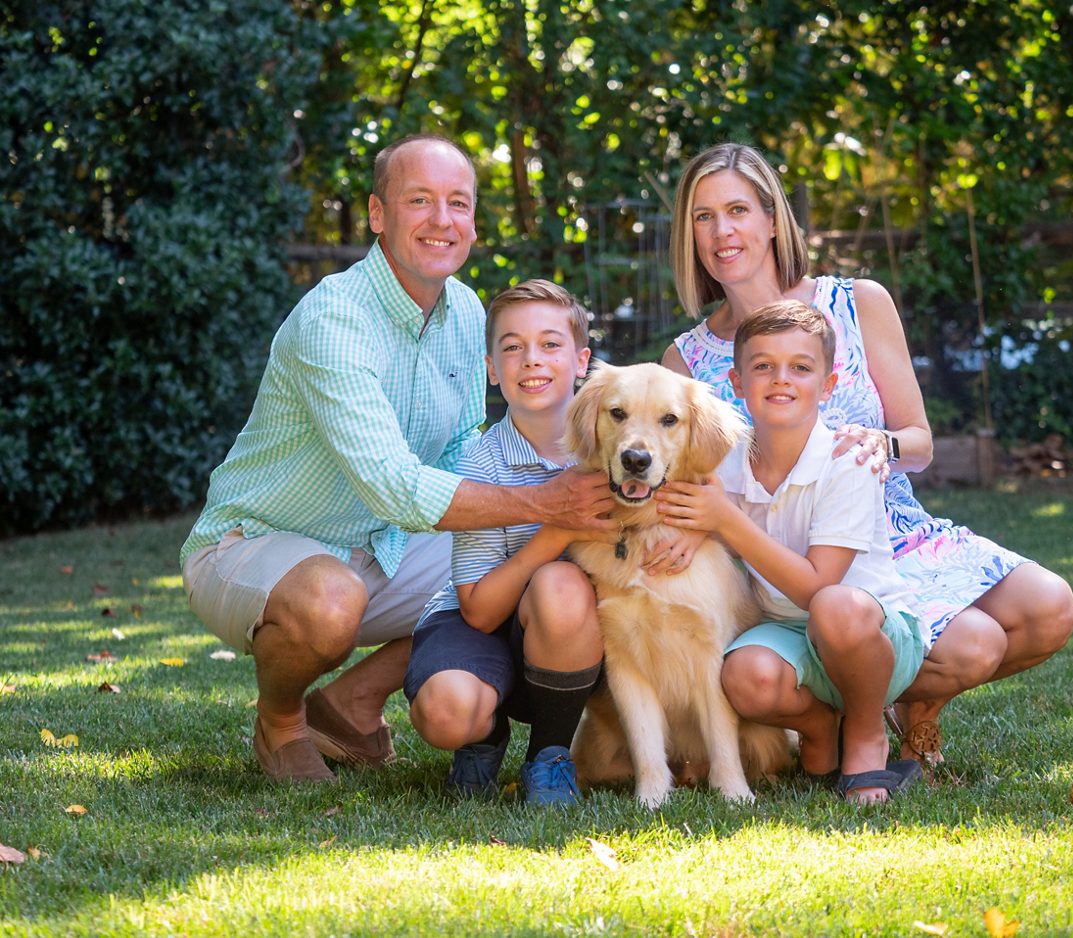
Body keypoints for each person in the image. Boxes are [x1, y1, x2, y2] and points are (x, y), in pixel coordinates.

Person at [180, 134, 615, 782]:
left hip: (385, 546)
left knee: (510, 559)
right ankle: (280, 722)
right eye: (420, 200)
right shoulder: (334, 318)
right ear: (379, 214)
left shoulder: (468, 311)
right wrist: (544, 503)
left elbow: (466, 448)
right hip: (257, 543)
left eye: (458, 203)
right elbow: (394, 488)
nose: (442, 220)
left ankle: (350, 706)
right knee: (331, 600)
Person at [658, 142, 1073, 765]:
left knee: (1048, 609)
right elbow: (691, 483)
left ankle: (915, 713)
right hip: (781, 558)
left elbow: (920, 441)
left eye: (738, 210)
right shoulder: (685, 362)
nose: (723, 231)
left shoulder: (857, 303)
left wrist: (883, 443)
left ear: (773, 219)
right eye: (703, 216)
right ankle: (847, 718)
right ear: (689, 234)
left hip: (889, 535)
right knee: (971, 645)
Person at [659, 300, 925, 804]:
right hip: (785, 631)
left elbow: (817, 586)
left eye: (800, 368)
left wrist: (725, 520)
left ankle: (867, 733)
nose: (781, 380)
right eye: (763, 367)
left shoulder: (847, 459)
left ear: (827, 386)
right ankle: (820, 726)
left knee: (835, 606)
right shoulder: (728, 457)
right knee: (742, 677)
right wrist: (701, 529)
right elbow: (709, 518)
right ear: (736, 383)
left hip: (870, 631)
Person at [404, 280, 608, 805]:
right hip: (483, 619)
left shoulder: (618, 447)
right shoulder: (479, 461)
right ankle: (484, 735)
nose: (531, 360)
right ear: (492, 369)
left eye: (550, 344)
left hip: (575, 636)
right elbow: (478, 611)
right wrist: (558, 528)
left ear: (582, 360)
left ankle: (549, 754)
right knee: (446, 712)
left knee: (562, 586)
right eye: (512, 347)